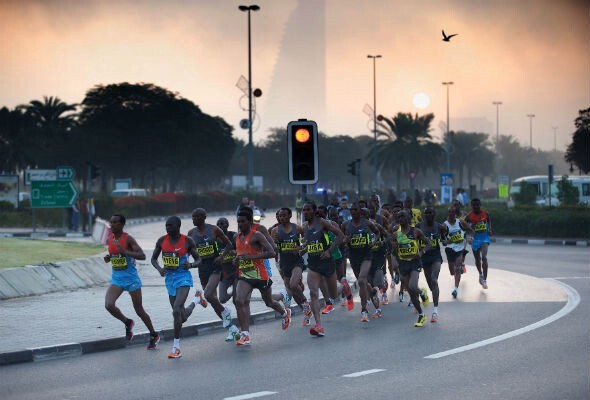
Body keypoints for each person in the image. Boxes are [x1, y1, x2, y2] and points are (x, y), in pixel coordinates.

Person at [233, 209, 291, 346]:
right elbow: (240, 254)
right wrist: (236, 260)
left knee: (269, 302)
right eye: (238, 222)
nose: (240, 224)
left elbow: (272, 252)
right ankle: (245, 335)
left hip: (260, 275)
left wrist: (252, 257)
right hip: (245, 275)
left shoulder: (257, 235)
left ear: (250, 221)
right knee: (239, 301)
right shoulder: (237, 237)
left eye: (243, 221)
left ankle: (284, 313)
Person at [151, 216, 206, 359]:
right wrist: (160, 269)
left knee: (176, 309)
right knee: (181, 317)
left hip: (183, 278)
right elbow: (153, 259)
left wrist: (191, 265)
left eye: (170, 226)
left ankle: (176, 348)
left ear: (178, 227)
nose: (168, 228)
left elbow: (199, 259)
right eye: (166, 226)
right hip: (170, 280)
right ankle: (196, 300)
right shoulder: (161, 241)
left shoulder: (187, 241)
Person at [103, 214, 160, 350]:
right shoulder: (110, 239)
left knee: (139, 310)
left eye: (115, 222)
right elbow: (115, 254)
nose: (112, 224)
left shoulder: (128, 239)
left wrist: (126, 252)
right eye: (111, 222)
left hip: (131, 279)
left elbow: (142, 255)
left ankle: (153, 334)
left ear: (122, 224)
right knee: (109, 305)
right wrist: (109, 257)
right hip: (117, 279)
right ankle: (127, 322)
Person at [188, 208, 238, 340]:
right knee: (213, 301)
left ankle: (225, 311)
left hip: (215, 267)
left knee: (208, 294)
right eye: (192, 217)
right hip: (202, 269)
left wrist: (222, 257)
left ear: (203, 217)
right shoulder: (191, 233)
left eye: (196, 217)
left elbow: (229, 244)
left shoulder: (214, 229)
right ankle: (232, 329)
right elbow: (187, 251)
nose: (193, 219)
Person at [301, 201, 345, 336]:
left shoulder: (322, 223)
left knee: (334, 295)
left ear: (314, 211)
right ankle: (318, 325)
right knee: (313, 293)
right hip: (313, 264)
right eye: (304, 210)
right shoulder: (304, 226)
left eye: (308, 210)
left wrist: (329, 251)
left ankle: (344, 287)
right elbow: (309, 244)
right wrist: (302, 250)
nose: (305, 212)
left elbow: (340, 236)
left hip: (327, 263)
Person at [270, 207, 312, 326]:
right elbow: (273, 248)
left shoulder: (297, 228)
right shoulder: (275, 231)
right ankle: (306, 312)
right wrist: (275, 244)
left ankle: (306, 304)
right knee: (292, 290)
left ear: (289, 216)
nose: (282, 218)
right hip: (284, 263)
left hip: (296, 261)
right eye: (280, 216)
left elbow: (307, 240)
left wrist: (300, 248)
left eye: (284, 215)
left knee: (294, 285)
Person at [341, 202, 383, 322]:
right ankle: (373, 293)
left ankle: (364, 311)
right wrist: (346, 240)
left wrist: (373, 242)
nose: (353, 212)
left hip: (366, 255)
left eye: (355, 209)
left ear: (360, 211)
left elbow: (378, 233)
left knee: (360, 280)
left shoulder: (368, 223)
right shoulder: (345, 224)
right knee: (364, 283)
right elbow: (341, 238)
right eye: (351, 210)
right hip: (353, 257)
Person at [391, 209, 432, 327]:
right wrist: (395, 250)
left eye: (403, 216)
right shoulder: (396, 234)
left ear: (408, 218)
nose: (401, 219)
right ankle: (421, 315)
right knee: (410, 292)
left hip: (414, 262)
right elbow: (393, 251)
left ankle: (422, 292)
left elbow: (429, 243)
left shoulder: (416, 231)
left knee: (413, 286)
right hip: (403, 263)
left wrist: (422, 252)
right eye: (399, 217)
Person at [417, 207, 448, 323]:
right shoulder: (418, 226)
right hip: (424, 257)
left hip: (435, 256)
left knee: (434, 280)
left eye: (430, 213)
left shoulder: (439, 227)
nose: (428, 215)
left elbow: (444, 240)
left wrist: (445, 240)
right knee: (431, 285)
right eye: (426, 213)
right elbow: (413, 240)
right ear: (424, 215)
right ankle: (425, 293)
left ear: (434, 214)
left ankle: (435, 311)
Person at [442, 207, 474, 299]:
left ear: (455, 214)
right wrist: (445, 242)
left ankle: (455, 289)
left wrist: (471, 238)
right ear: (448, 213)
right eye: (450, 212)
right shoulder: (445, 225)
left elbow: (470, 230)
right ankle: (458, 270)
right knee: (452, 271)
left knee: (457, 268)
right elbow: (442, 240)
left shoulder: (460, 222)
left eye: (453, 212)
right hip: (450, 249)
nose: (451, 214)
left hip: (460, 248)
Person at [464, 198, 493, 289]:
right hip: (475, 239)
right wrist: (469, 235)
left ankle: (484, 280)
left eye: (477, 205)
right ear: (472, 206)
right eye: (474, 205)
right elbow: (463, 225)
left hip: (484, 238)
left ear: (480, 205)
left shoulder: (485, 213)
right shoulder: (469, 216)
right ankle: (480, 274)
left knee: (484, 257)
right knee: (477, 259)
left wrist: (490, 229)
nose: (476, 207)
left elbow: (489, 221)